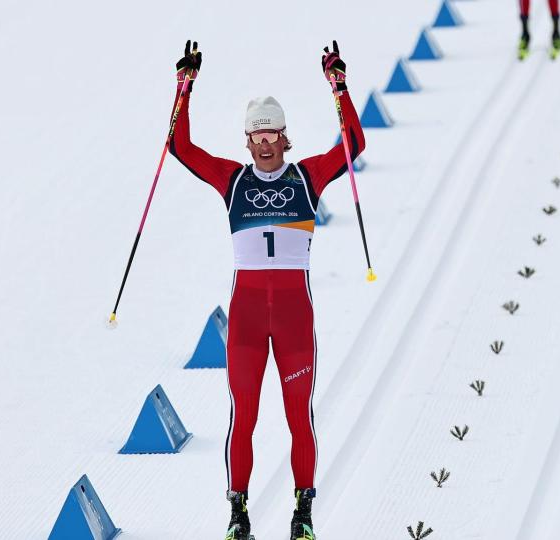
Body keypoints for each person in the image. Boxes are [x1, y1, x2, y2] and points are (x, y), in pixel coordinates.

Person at [169, 39, 365, 540]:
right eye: (256, 135)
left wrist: (339, 87)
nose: (264, 144)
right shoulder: (232, 181)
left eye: (271, 134)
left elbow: (353, 143)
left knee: (300, 417)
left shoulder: (307, 177)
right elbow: (181, 148)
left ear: (284, 136)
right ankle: (238, 516)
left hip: (295, 318)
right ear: (247, 140)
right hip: (248, 320)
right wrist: (184, 88)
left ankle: (303, 514)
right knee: (245, 417)